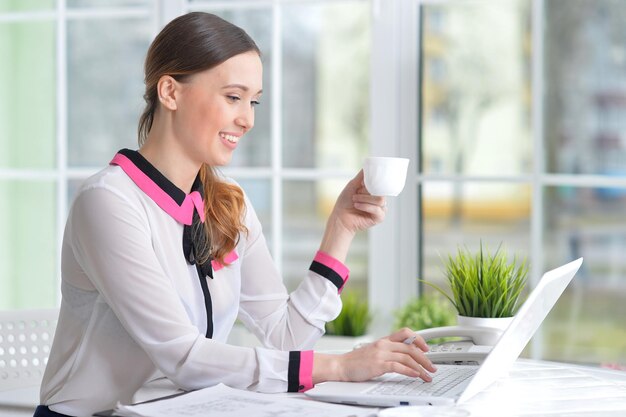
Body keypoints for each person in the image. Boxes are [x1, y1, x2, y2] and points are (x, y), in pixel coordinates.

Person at [36, 12, 436, 417]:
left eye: (253, 100)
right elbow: (184, 358)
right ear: (170, 92)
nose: (247, 119)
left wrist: (342, 228)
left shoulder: (230, 202)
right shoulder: (108, 202)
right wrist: (341, 366)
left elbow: (286, 339)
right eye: (233, 97)